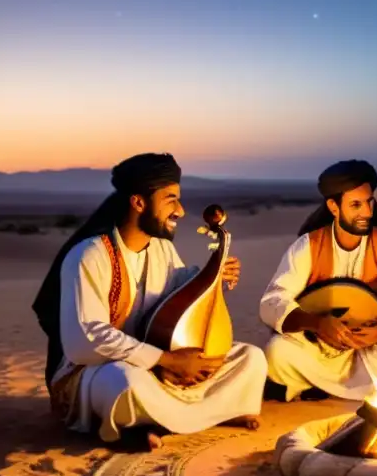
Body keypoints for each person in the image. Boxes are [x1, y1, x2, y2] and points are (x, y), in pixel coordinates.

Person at [31, 153, 268, 451]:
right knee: (125, 382)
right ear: (139, 202)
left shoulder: (162, 250)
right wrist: (165, 361)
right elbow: (84, 341)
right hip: (99, 372)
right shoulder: (90, 255)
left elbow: (180, 293)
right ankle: (178, 416)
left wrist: (214, 277)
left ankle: (157, 420)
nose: (180, 211)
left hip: (161, 363)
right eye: (170, 199)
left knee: (250, 357)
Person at [258, 159, 377, 400]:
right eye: (356, 205)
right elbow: (271, 302)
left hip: (371, 351)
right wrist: (316, 324)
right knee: (278, 351)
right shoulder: (308, 246)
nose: (367, 212)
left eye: (370, 202)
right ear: (334, 207)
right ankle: (348, 387)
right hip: (322, 349)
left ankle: (315, 386)